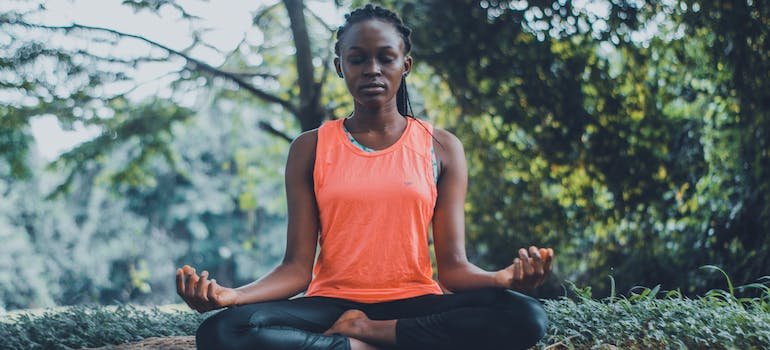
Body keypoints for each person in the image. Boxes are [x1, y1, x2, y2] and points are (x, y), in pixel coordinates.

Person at [176, 4, 553, 350]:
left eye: (385, 58)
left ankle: (368, 334)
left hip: (413, 301)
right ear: (341, 66)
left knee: (525, 316)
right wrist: (232, 296)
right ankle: (358, 345)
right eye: (357, 59)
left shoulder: (440, 146)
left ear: (404, 65)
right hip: (330, 304)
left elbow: (453, 270)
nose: (372, 69)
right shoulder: (310, 148)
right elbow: (295, 269)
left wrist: (503, 279)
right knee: (222, 331)